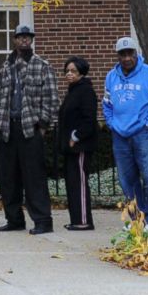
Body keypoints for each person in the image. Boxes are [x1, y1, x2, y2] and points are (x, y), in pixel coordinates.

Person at [0, 25, 58, 235]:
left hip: (30, 128)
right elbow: (1, 98)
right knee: (8, 178)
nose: (24, 40)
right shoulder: (5, 67)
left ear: (31, 40)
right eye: (20, 37)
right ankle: (14, 219)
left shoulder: (41, 65)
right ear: (14, 40)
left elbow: (51, 98)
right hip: (8, 128)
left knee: (34, 178)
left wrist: (43, 125)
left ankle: (42, 221)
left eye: (27, 37)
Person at [103, 37, 148, 230]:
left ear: (136, 53)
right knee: (127, 178)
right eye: (122, 54)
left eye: (130, 53)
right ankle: (134, 218)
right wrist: (111, 122)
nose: (126, 58)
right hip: (120, 135)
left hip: (143, 134)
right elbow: (107, 105)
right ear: (117, 56)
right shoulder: (111, 76)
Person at [57, 56, 98, 231]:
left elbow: (89, 120)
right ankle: (76, 219)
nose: (69, 74)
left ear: (81, 72)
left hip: (80, 146)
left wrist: (76, 137)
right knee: (72, 183)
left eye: (73, 70)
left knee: (79, 183)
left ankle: (83, 221)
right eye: (67, 70)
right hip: (70, 147)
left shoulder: (86, 91)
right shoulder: (73, 91)